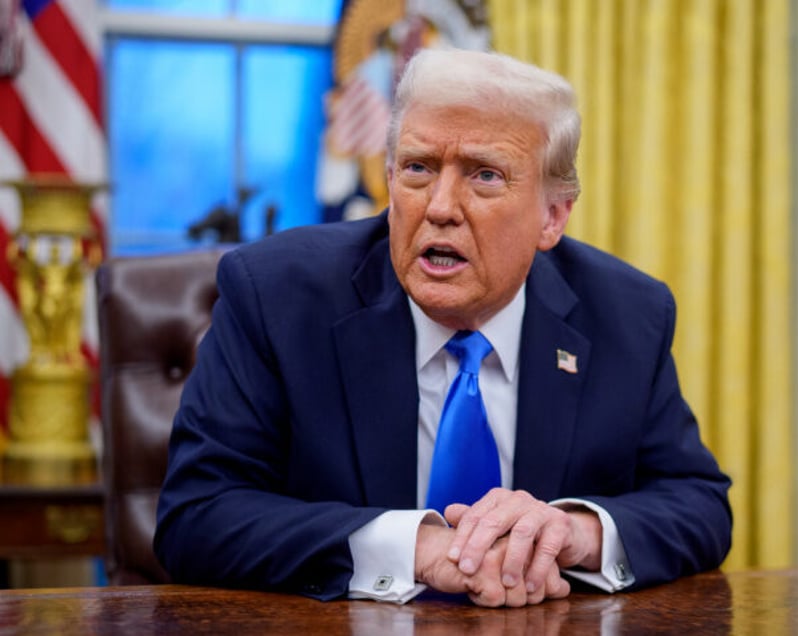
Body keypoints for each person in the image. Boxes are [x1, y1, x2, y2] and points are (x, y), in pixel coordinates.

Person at [154, 48, 732, 608]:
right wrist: (418, 549)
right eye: (418, 168)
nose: (440, 207)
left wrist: (571, 533)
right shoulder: (274, 295)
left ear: (552, 215)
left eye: (484, 175)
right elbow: (197, 515)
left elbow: (698, 504)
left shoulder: (627, 314)